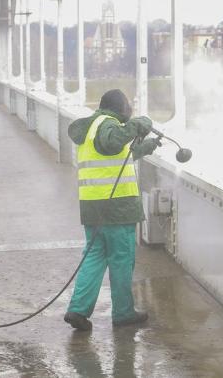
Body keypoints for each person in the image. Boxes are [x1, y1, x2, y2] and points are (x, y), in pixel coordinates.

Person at [63, 89, 160, 331]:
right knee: (121, 260)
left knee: (94, 258)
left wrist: (145, 147)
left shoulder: (93, 128)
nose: (130, 109)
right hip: (117, 208)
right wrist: (139, 123)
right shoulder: (108, 123)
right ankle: (123, 312)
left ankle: (78, 309)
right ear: (119, 108)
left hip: (92, 207)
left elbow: (114, 154)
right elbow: (113, 141)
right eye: (128, 105)